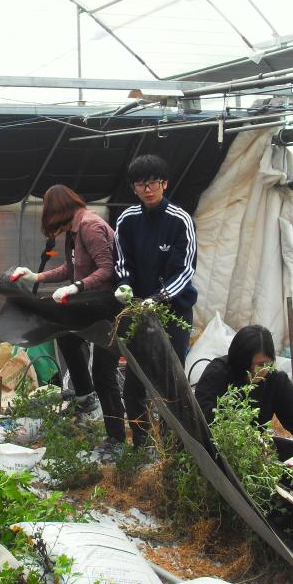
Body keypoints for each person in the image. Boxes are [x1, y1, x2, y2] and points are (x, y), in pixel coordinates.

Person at [11, 184, 125, 445]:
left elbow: (107, 269)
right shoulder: (74, 231)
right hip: (89, 302)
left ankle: (116, 438)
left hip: (107, 307)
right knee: (64, 333)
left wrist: (77, 286)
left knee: (104, 373)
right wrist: (35, 276)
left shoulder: (90, 227)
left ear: (58, 212)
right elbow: (70, 267)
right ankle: (85, 397)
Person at [113, 154, 197, 448]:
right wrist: (124, 286)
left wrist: (159, 299)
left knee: (172, 378)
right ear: (133, 187)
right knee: (135, 379)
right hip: (138, 311)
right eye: (140, 183)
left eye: (153, 183)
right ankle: (142, 444)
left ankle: (175, 446)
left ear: (164, 184)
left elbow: (185, 269)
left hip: (174, 310)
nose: (147, 189)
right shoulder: (127, 220)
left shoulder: (180, 220)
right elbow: (123, 261)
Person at [195, 325, 293, 465]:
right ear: (240, 362)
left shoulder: (274, 380)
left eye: (264, 364)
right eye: (253, 365)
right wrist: (244, 438)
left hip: (256, 450)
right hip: (218, 452)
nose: (257, 371)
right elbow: (203, 421)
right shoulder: (217, 374)